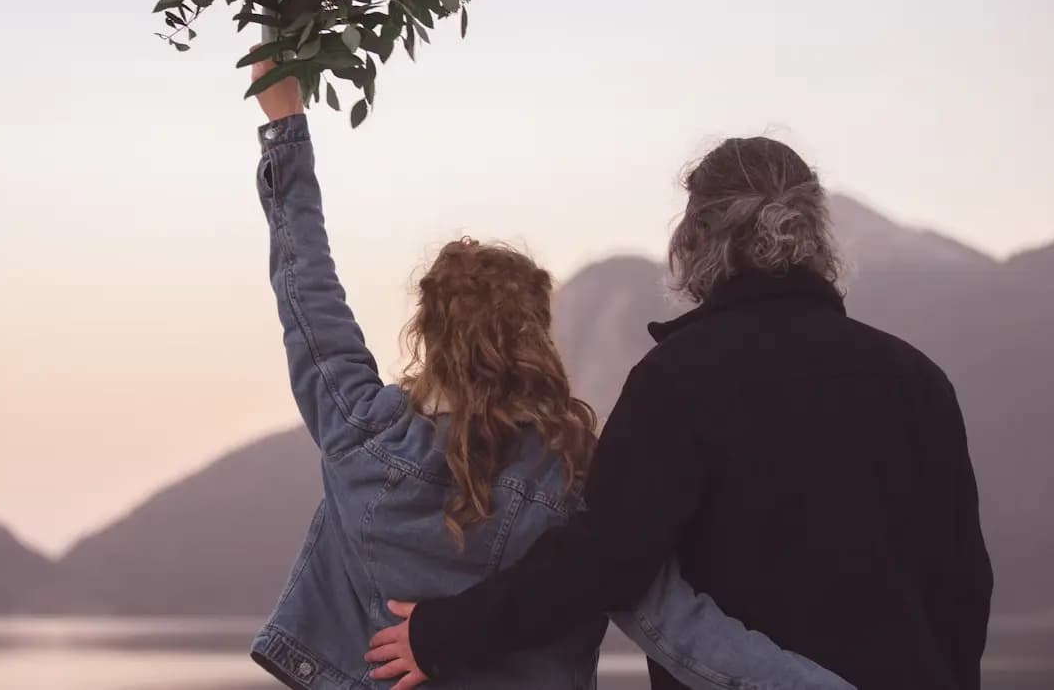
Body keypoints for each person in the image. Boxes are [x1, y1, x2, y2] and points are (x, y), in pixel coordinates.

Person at [248, 63, 851, 690]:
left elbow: (305, 287)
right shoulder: (578, 481)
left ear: (428, 336)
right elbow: (685, 631)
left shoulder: (362, 434)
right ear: (537, 339)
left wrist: (285, 127)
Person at [366, 136, 994, 690]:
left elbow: (606, 560)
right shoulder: (918, 381)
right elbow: (965, 590)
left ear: (697, 240)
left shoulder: (680, 380)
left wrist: (444, 635)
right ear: (816, 238)